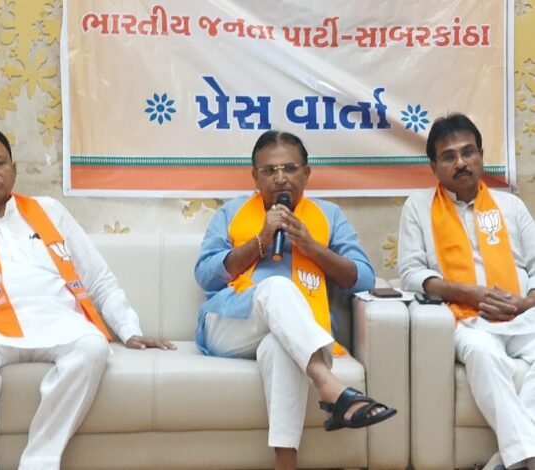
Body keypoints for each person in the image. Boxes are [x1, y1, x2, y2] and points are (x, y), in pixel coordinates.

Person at [0, 128, 174, 470]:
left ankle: (39, 461)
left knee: (92, 347)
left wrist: (129, 329)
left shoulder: (50, 210)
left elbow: (97, 276)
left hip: (56, 321)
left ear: (13, 169)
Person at [194, 130, 396, 470]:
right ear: (255, 176)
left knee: (281, 345)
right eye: (269, 171)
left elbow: (362, 278)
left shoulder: (329, 216)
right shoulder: (231, 212)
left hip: (293, 331)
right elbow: (205, 275)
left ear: (306, 173)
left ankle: (285, 463)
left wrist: (312, 247)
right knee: (277, 286)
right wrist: (260, 241)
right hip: (230, 323)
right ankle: (329, 385)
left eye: (289, 168)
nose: (280, 178)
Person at [398, 112, 535, 470]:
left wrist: (524, 303)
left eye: (468, 152)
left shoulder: (511, 206)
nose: (461, 162)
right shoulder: (418, 207)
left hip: (522, 315)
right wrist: (469, 294)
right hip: (465, 318)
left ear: (481, 156)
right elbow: (411, 273)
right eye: (449, 156)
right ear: (433, 166)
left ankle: (509, 460)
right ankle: (528, 456)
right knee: (484, 354)